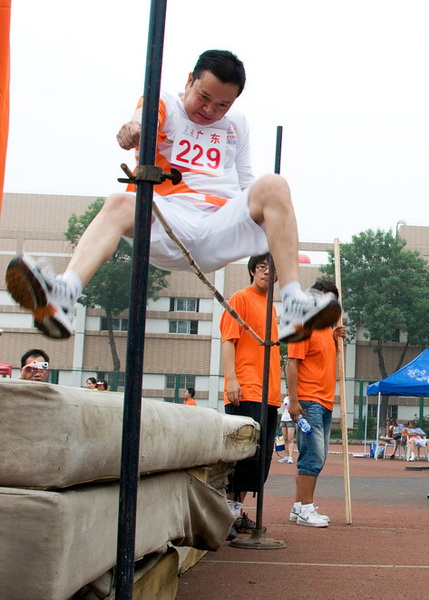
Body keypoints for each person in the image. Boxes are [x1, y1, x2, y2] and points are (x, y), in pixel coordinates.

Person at [6, 49, 340, 345]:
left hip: (218, 227)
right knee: (120, 201)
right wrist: (133, 129)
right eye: (204, 97)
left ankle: (294, 303)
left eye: (222, 104)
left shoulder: (237, 124)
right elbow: (140, 120)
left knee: (275, 184)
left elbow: (247, 184)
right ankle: (65, 293)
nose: (209, 110)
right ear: (190, 80)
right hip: (167, 220)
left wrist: (274, 238)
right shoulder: (164, 101)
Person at [220, 253, 281, 537]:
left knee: (259, 458)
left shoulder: (271, 308)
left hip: (269, 394)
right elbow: (228, 340)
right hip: (246, 390)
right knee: (241, 455)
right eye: (261, 267)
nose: (267, 272)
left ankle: (235, 512)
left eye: (272, 269)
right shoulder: (240, 299)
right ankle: (226, 515)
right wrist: (232, 379)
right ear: (252, 272)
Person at [287, 280, 346, 527]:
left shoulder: (326, 330)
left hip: (325, 402)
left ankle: (299, 506)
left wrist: (334, 339)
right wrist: (293, 401)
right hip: (308, 402)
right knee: (313, 455)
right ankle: (306, 510)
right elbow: (291, 363)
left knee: (316, 456)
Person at [278, 396, 295, 464]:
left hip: (290, 420)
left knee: (290, 438)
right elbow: (284, 409)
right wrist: (281, 420)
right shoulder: (285, 398)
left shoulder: (294, 398)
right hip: (284, 419)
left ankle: (290, 456)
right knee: (285, 439)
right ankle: (286, 456)